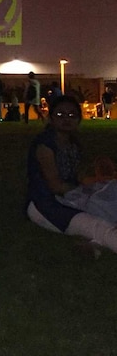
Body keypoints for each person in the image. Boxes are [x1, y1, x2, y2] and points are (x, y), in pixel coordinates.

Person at [26, 95, 117, 254]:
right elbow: (56, 186)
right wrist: (86, 189)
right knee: (102, 227)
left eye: (72, 115)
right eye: (60, 115)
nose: (66, 119)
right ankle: (96, 240)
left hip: (71, 196)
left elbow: (77, 176)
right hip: (47, 204)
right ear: (51, 118)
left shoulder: (73, 143)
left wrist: (96, 182)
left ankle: (92, 245)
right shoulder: (45, 145)